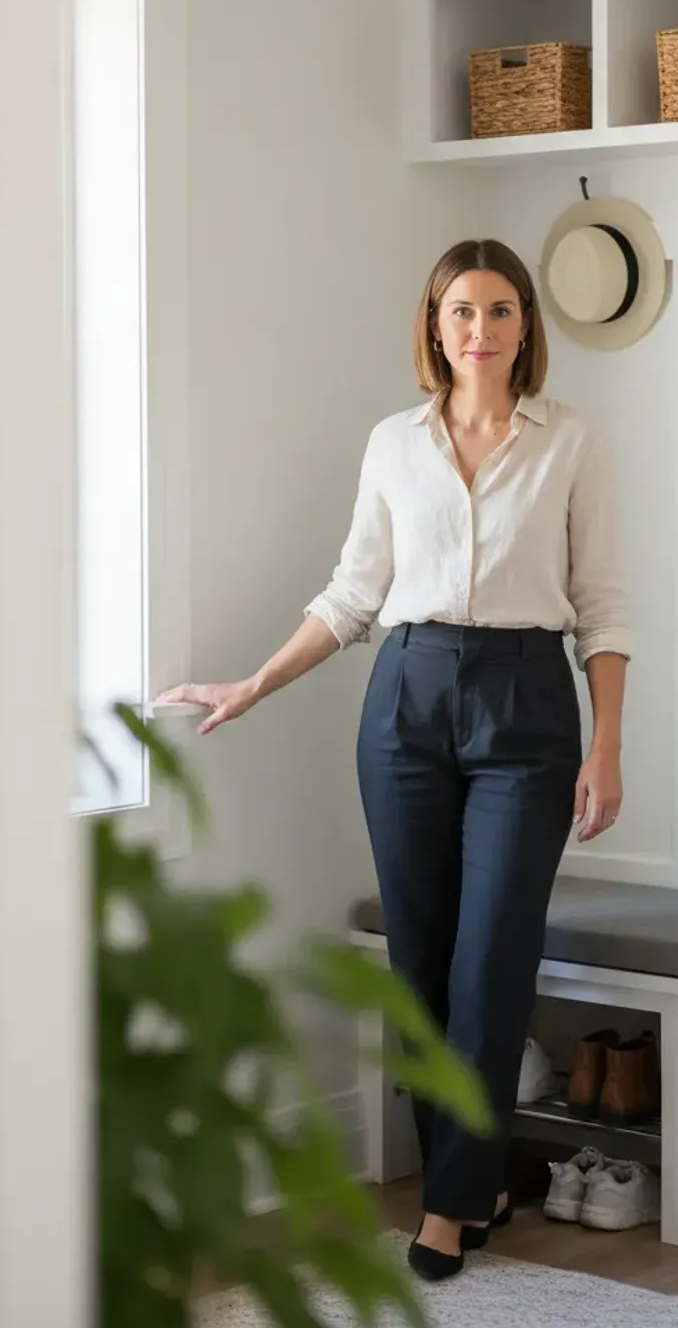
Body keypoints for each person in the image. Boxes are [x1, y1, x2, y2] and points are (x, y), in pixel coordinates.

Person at [159, 239, 631, 1281]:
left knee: (492, 957)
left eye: (500, 310)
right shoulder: (393, 444)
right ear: (433, 324)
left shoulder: (573, 442)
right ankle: (481, 1179)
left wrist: (606, 746)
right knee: (419, 965)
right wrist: (250, 684)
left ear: (524, 327)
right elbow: (351, 595)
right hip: (407, 702)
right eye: (461, 310)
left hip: (527, 705)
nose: (480, 329)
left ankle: (450, 1208)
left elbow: (602, 606)